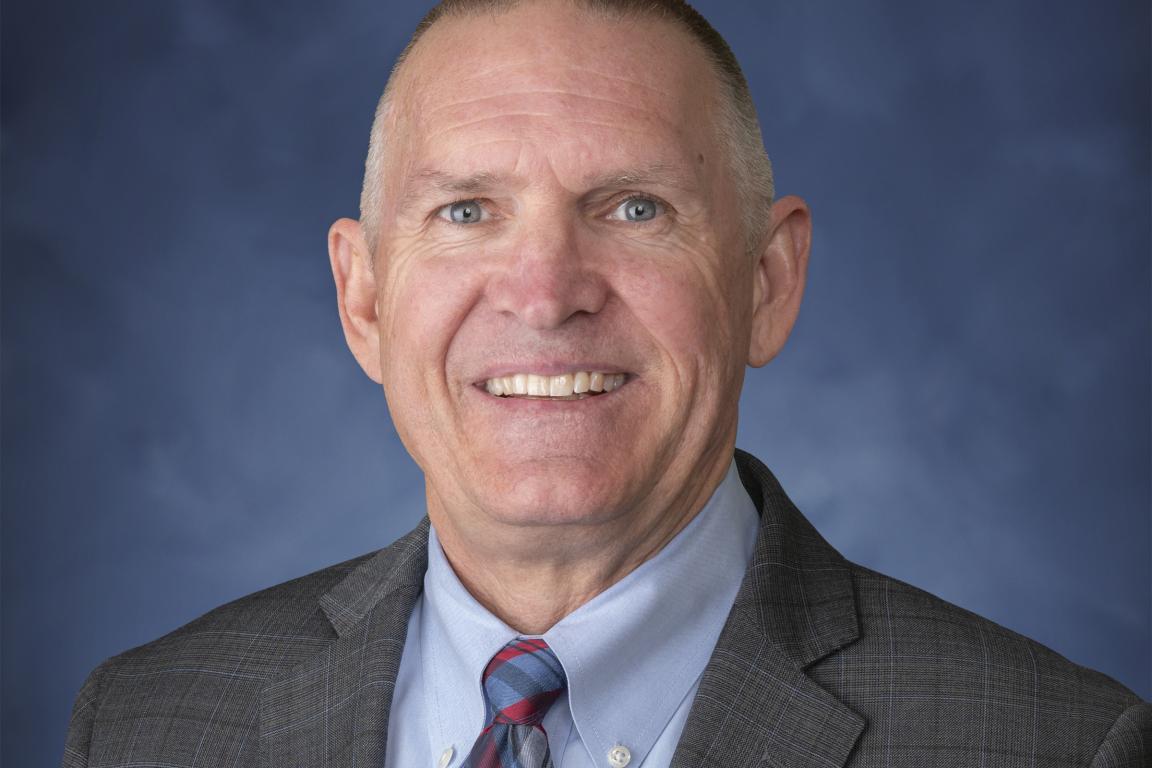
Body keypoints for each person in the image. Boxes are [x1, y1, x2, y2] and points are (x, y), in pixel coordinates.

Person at [62, 1, 1149, 766]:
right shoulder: (149, 726)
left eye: (634, 207)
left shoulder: (1052, 747)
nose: (544, 293)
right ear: (365, 300)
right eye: (467, 211)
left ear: (766, 284)